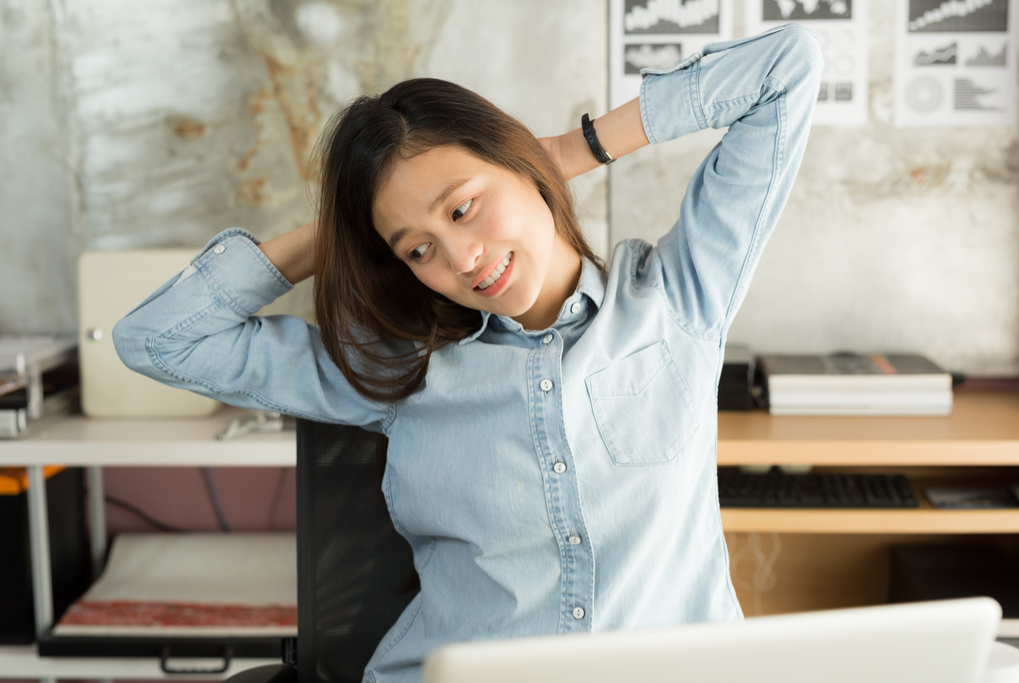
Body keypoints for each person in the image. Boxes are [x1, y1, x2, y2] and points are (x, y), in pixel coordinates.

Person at [113, 24, 822, 683]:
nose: (461, 258)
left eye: (462, 208)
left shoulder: (677, 302)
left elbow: (785, 68)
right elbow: (156, 339)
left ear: (518, 162)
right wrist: (340, 235)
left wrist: (571, 151)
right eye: (418, 249)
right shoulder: (397, 368)